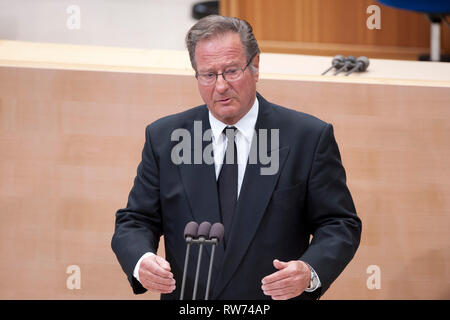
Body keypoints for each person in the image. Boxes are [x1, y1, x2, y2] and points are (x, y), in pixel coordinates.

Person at [111, 15, 362, 300]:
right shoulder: (165, 138)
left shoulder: (308, 137)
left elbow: (340, 224)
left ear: (255, 66)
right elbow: (135, 220)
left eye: (231, 71)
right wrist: (142, 261)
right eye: (208, 75)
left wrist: (310, 270)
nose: (220, 86)